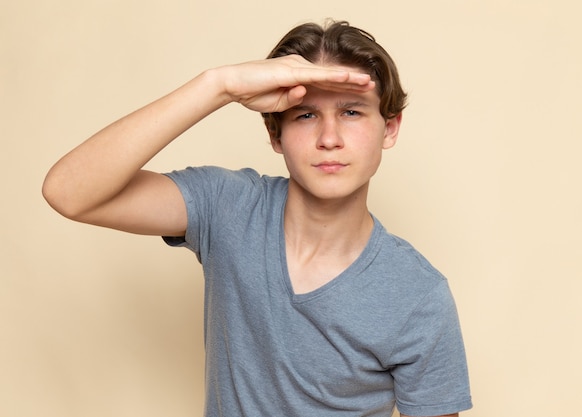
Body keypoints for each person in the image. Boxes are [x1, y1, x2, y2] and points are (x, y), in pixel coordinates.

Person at [43, 20, 472, 417]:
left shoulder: (419, 296)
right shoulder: (230, 208)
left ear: (390, 128)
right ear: (275, 135)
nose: (329, 139)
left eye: (352, 112)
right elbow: (69, 193)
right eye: (306, 115)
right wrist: (220, 85)